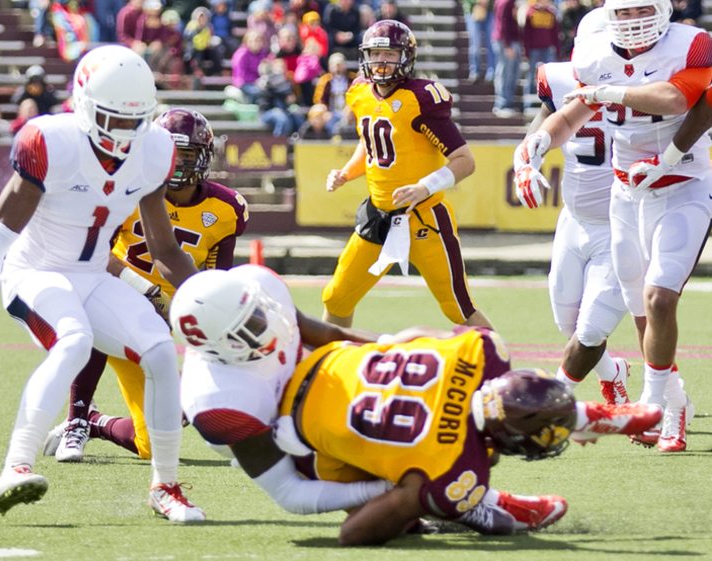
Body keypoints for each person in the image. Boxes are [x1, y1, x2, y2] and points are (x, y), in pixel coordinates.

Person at [168, 265, 663, 545]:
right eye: (252, 327)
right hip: (296, 439)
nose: (269, 321)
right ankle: (472, 502)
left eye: (262, 311)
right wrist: (402, 486)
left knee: (423, 361)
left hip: (341, 375)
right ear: (222, 350)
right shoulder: (223, 403)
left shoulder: (259, 295)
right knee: (407, 470)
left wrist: (397, 352)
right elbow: (291, 495)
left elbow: (335, 334)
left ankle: (578, 420)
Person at [0, 45, 205, 521]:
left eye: (136, 122)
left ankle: (165, 487)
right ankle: (15, 467)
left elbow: (165, 249)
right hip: (35, 272)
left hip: (92, 275)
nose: (127, 135)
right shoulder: (50, 142)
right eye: (115, 120)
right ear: (85, 106)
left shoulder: (155, 149)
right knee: (74, 340)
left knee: (158, 347)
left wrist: (208, 303)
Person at [513, 0, 709, 452]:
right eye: (624, 12)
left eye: (643, 10)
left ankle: (653, 406)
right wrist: (538, 144)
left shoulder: (692, 43)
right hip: (626, 193)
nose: (634, 21)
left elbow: (679, 98)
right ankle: (674, 403)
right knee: (640, 310)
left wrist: (608, 95)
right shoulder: (593, 56)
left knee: (660, 297)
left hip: (685, 185)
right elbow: (570, 115)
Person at [42, 108, 250, 462]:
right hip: (115, 288)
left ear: (203, 156)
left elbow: (212, 279)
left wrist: (212, 316)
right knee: (94, 304)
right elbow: (92, 256)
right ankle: (76, 417)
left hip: (161, 319)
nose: (176, 164)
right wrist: (145, 290)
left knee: (155, 441)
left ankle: (94, 422)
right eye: (169, 153)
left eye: (185, 155)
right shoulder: (125, 190)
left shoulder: (226, 208)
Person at [322, 20, 492, 331]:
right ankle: (330, 370)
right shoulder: (360, 91)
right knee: (336, 298)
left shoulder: (421, 99)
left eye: (389, 54)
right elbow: (371, 143)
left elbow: (464, 161)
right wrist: (347, 173)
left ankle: (504, 374)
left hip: (424, 217)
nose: (381, 62)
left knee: (458, 308)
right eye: (375, 54)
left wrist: (424, 187)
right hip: (377, 216)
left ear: (406, 57)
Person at [513, 9, 631, 406]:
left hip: (623, 222)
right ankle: (614, 374)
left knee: (589, 329)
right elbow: (539, 130)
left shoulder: (646, 81)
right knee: (568, 324)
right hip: (575, 219)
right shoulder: (560, 77)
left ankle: (550, 403)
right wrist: (525, 164)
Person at [522, 0, 559, 108]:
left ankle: (551, 102)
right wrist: (526, 50)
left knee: (551, 76)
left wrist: (558, 50)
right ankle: (527, 102)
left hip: (547, 48)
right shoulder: (530, 12)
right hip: (534, 48)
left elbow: (555, 34)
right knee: (531, 74)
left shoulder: (551, 13)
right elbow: (526, 33)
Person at [491, 0, 520, 117]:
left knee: (513, 73)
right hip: (505, 42)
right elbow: (502, 24)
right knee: (505, 73)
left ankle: (509, 102)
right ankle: (502, 104)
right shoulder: (505, 2)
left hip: (510, 40)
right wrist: (507, 45)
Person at [231, 30, 268, 103]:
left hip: (259, 82)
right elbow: (241, 74)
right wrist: (255, 80)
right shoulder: (242, 55)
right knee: (258, 92)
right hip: (243, 83)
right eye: (252, 41)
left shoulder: (263, 54)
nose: (255, 43)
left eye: (258, 41)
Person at [463, 0, 495, 82]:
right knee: (475, 43)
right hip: (473, 10)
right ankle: (475, 71)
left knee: (491, 42)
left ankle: (491, 71)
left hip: (490, 10)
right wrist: (477, 1)